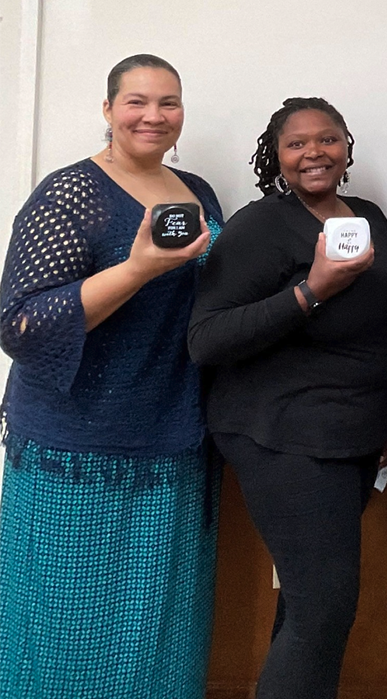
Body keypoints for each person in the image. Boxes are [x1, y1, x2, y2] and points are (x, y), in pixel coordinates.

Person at [0, 54, 222, 698]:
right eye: (137, 102)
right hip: (77, 450)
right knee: (67, 629)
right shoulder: (69, 194)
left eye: (169, 102)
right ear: (107, 110)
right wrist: (137, 268)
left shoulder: (198, 192)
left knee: (163, 631)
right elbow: (19, 325)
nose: (154, 116)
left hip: (174, 438)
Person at [188, 96, 387, 699]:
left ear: (346, 146)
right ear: (277, 157)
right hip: (283, 438)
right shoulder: (261, 225)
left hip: (353, 437)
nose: (314, 152)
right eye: (297, 143)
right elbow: (206, 338)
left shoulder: (367, 215)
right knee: (323, 610)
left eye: (328, 139)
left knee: (312, 605)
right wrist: (311, 291)